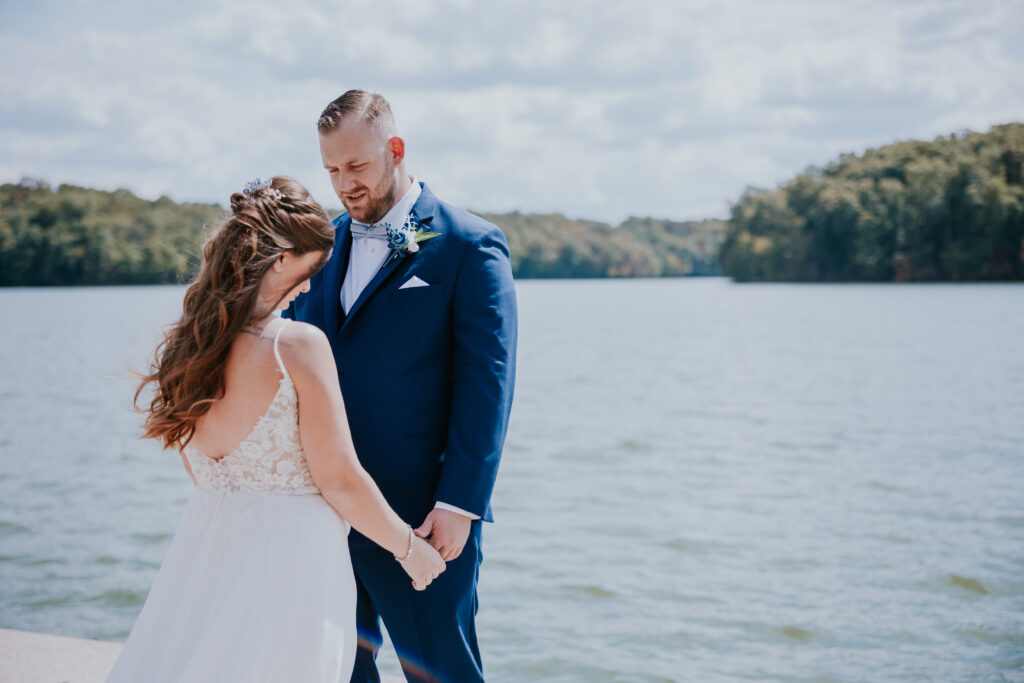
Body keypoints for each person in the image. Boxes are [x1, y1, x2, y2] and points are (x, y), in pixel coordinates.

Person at [106, 176, 445, 683]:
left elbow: (203, 473)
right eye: (310, 270)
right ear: (281, 259)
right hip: (293, 569)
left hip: (205, 561)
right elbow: (340, 479)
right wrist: (410, 550)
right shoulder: (296, 345)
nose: (310, 287)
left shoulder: (189, 349)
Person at [284, 90, 518, 683]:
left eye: (356, 166)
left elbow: (487, 384)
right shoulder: (320, 247)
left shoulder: (470, 246)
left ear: (395, 150)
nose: (344, 184)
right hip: (323, 514)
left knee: (441, 671)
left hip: (422, 519)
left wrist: (459, 503)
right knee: (338, 670)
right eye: (332, 169)